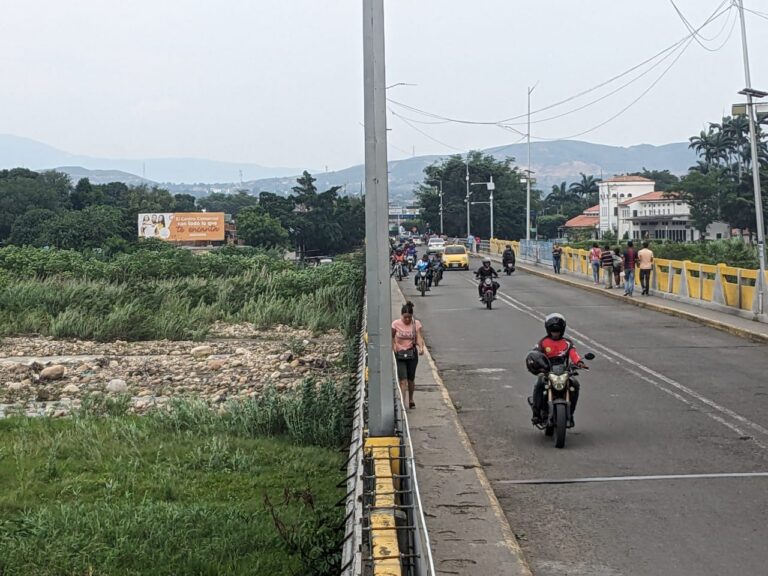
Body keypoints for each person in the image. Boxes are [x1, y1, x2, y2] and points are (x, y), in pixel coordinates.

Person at [528, 313, 584, 427]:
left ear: (562, 330)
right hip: (547, 371)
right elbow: (535, 354)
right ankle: (536, 413)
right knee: (539, 383)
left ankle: (570, 414)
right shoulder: (543, 343)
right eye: (553, 331)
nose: (555, 333)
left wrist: (579, 362)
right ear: (548, 330)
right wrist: (536, 363)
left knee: (575, 385)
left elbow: (574, 354)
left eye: (557, 331)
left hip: (564, 371)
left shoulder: (567, 343)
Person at [392, 301, 425, 409]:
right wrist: (394, 346)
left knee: (411, 379)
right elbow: (391, 337)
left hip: (411, 354)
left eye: (409, 317)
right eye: (405, 317)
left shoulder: (416, 324)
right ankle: (402, 402)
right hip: (400, 354)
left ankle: (410, 399)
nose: (407, 320)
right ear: (401, 315)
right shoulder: (395, 324)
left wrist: (421, 347)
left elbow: (419, 337)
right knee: (403, 379)